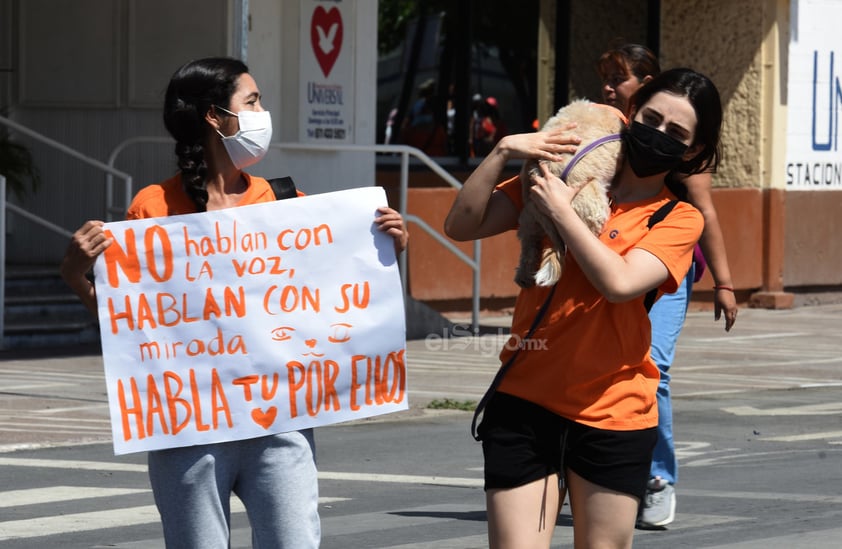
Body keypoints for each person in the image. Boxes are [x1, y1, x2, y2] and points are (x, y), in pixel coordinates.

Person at [59, 57, 408, 548]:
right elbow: (136, 328)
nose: (263, 112)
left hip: (280, 425)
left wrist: (385, 250)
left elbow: (333, 299)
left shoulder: (287, 205)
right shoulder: (152, 208)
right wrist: (78, 277)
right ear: (215, 117)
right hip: (188, 432)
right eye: (253, 101)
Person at [444, 67, 723, 548]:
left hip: (613, 415)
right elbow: (462, 225)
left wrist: (560, 213)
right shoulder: (565, 172)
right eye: (652, 118)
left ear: (694, 150)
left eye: (676, 133)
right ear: (633, 113)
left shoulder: (679, 217)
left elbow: (618, 282)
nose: (658, 135)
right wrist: (504, 151)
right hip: (525, 403)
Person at [597, 43, 738, 528]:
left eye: (620, 78)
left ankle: (658, 479)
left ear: (648, 84)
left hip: (666, 269)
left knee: (651, 366)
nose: (610, 87)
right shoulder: (602, 131)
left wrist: (725, 283)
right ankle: (589, 467)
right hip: (606, 259)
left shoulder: (677, 146)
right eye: (607, 78)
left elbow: (708, 214)